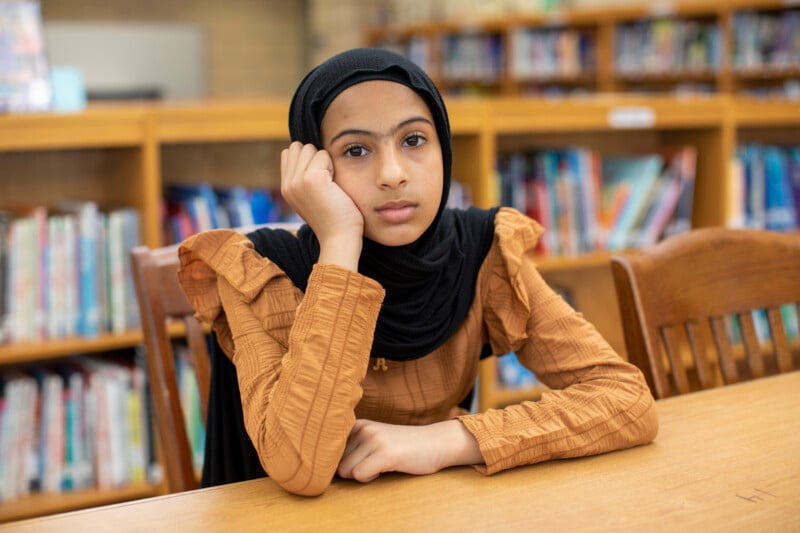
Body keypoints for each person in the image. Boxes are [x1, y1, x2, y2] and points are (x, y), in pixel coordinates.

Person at [177, 47, 658, 497]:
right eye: (356, 151)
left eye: (413, 140)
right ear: (313, 171)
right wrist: (340, 242)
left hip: (429, 509)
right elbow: (300, 465)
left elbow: (626, 400)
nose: (393, 173)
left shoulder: (481, 251)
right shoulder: (262, 272)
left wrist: (445, 442)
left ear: (443, 149)